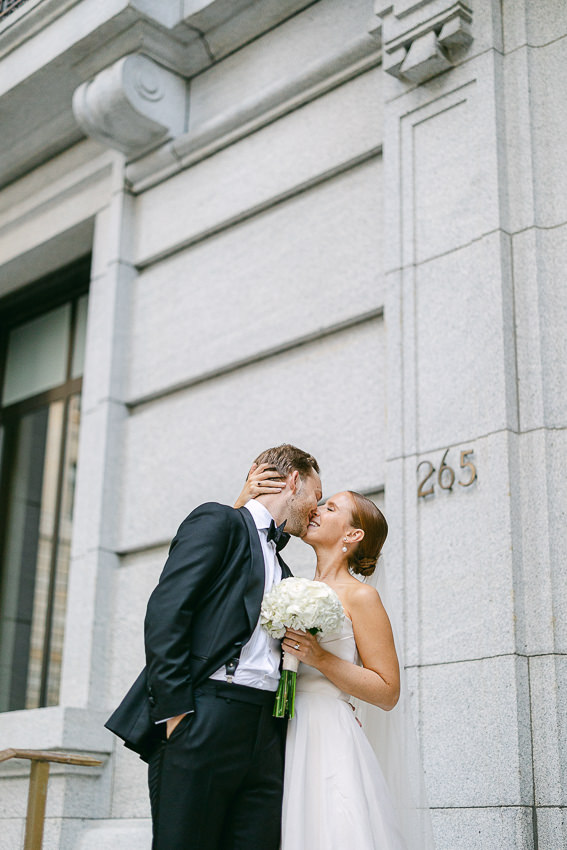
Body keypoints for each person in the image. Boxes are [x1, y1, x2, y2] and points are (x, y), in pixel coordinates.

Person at [105, 444, 322, 850]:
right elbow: (167, 612)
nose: (315, 507)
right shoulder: (219, 520)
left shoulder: (285, 568)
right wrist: (176, 713)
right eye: (315, 495)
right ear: (293, 480)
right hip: (205, 715)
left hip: (266, 728)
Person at [236, 468, 430, 850]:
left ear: (352, 535)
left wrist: (319, 658)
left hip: (327, 731)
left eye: (330, 506)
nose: (316, 509)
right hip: (279, 731)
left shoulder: (361, 597)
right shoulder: (287, 585)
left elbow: (388, 691)